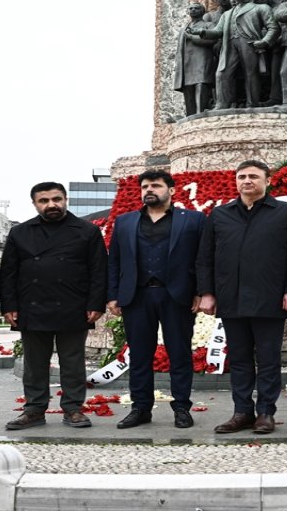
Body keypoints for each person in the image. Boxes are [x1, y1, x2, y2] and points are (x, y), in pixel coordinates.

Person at [197, 160, 287, 434]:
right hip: (231, 298)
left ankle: (266, 413)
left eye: (253, 176)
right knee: (240, 358)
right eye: (242, 176)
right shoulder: (220, 214)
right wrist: (207, 293)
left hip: (269, 298)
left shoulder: (285, 212)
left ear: (267, 180)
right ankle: (242, 412)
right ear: (236, 181)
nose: (247, 181)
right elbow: (205, 257)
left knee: (269, 359)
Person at [1, 182, 107, 431]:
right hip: (31, 305)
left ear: (65, 199)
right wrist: (9, 305)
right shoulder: (21, 232)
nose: (51, 205)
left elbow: (99, 271)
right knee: (34, 363)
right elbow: (8, 273)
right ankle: (34, 410)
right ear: (35, 203)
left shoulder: (86, 231)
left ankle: (73, 409)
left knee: (73, 361)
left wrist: (95, 303)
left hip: (74, 304)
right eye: (44, 200)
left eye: (57, 199)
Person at [107, 170, 206, 429]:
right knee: (139, 356)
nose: (149, 190)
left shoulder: (193, 220)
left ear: (171, 190)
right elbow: (115, 261)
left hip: (177, 296)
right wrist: (113, 295)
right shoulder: (125, 221)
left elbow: (204, 259)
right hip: (137, 296)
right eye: (145, 186)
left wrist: (201, 291)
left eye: (156, 185)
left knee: (180, 354)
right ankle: (140, 408)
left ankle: (182, 408)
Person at [190, 0, 279, 109]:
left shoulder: (261, 8)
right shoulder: (227, 14)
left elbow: (273, 28)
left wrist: (264, 41)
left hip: (249, 44)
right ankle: (222, 103)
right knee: (222, 73)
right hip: (229, 45)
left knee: (251, 74)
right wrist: (201, 32)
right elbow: (218, 32)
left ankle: (251, 103)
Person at [174, 2, 217, 116]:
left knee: (201, 84)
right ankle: (190, 115)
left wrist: (192, 38)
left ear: (202, 11)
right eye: (191, 8)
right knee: (188, 87)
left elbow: (213, 41)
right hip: (186, 62)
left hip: (202, 59)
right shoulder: (183, 29)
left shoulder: (209, 25)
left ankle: (200, 112)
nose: (193, 10)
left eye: (196, 8)